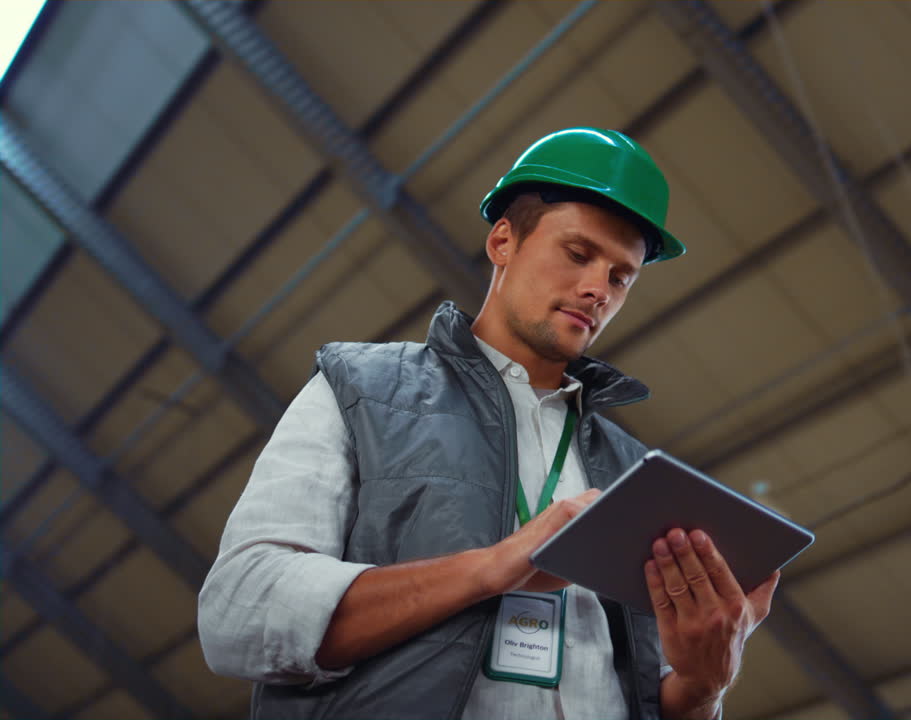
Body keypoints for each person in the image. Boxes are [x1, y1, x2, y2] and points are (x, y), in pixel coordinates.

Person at [198, 127, 781, 720]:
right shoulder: (361, 390)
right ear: (503, 241)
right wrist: (490, 568)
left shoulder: (635, 472)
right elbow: (239, 611)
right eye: (578, 254)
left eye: (619, 277)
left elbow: (653, 697)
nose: (596, 290)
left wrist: (702, 686)